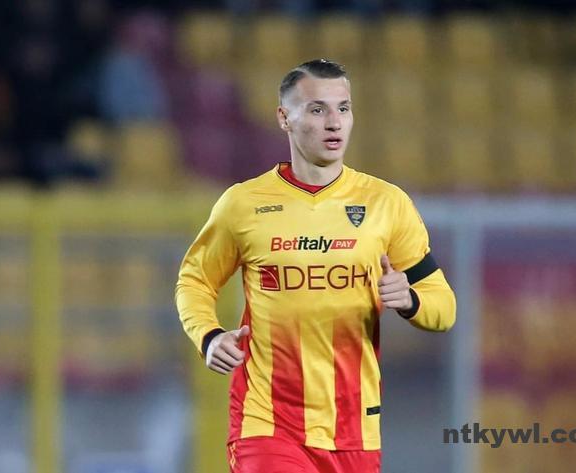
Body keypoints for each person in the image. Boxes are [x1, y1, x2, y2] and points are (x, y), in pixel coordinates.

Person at [175, 59, 456, 473]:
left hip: (355, 431)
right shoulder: (243, 204)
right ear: (284, 118)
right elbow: (195, 280)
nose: (334, 122)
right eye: (317, 109)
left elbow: (444, 308)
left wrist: (411, 300)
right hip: (267, 423)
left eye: (343, 108)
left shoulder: (386, 203)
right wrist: (210, 335)